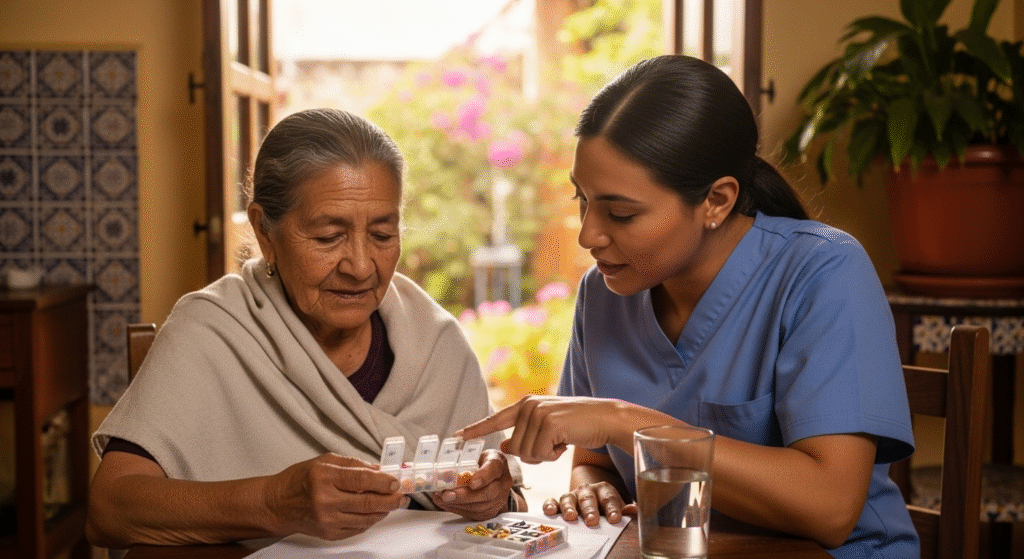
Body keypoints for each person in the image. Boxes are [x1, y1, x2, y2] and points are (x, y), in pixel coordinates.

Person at [458, 55, 917, 558]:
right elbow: (597, 458)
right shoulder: (604, 293)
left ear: (717, 201)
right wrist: (593, 484)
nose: (589, 234)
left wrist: (624, 422)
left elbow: (829, 509)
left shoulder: (824, 272)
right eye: (582, 200)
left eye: (621, 212)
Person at [87, 108, 524, 553]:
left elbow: (504, 500)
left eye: (382, 234)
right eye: (328, 237)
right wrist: (273, 502)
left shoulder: (436, 344)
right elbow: (108, 512)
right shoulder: (213, 331)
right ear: (264, 232)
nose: (360, 266)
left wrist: (493, 494)